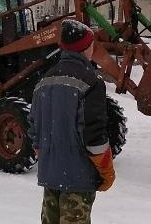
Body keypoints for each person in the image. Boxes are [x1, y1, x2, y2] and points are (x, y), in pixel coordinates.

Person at [29, 19, 115, 224]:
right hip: (78, 181)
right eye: (92, 44)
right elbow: (93, 136)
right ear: (85, 47)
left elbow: (34, 132)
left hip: (51, 179)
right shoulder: (91, 82)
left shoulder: (44, 81)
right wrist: (106, 171)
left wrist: (50, 162)